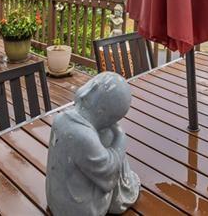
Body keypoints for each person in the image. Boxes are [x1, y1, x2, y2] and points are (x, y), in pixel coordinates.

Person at [46, 72, 140, 216]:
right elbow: (108, 173)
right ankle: (124, 191)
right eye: (114, 119)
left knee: (106, 136)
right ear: (104, 113)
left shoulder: (61, 118)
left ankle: (124, 186)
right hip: (79, 210)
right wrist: (121, 137)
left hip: (56, 201)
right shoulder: (83, 136)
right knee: (110, 139)